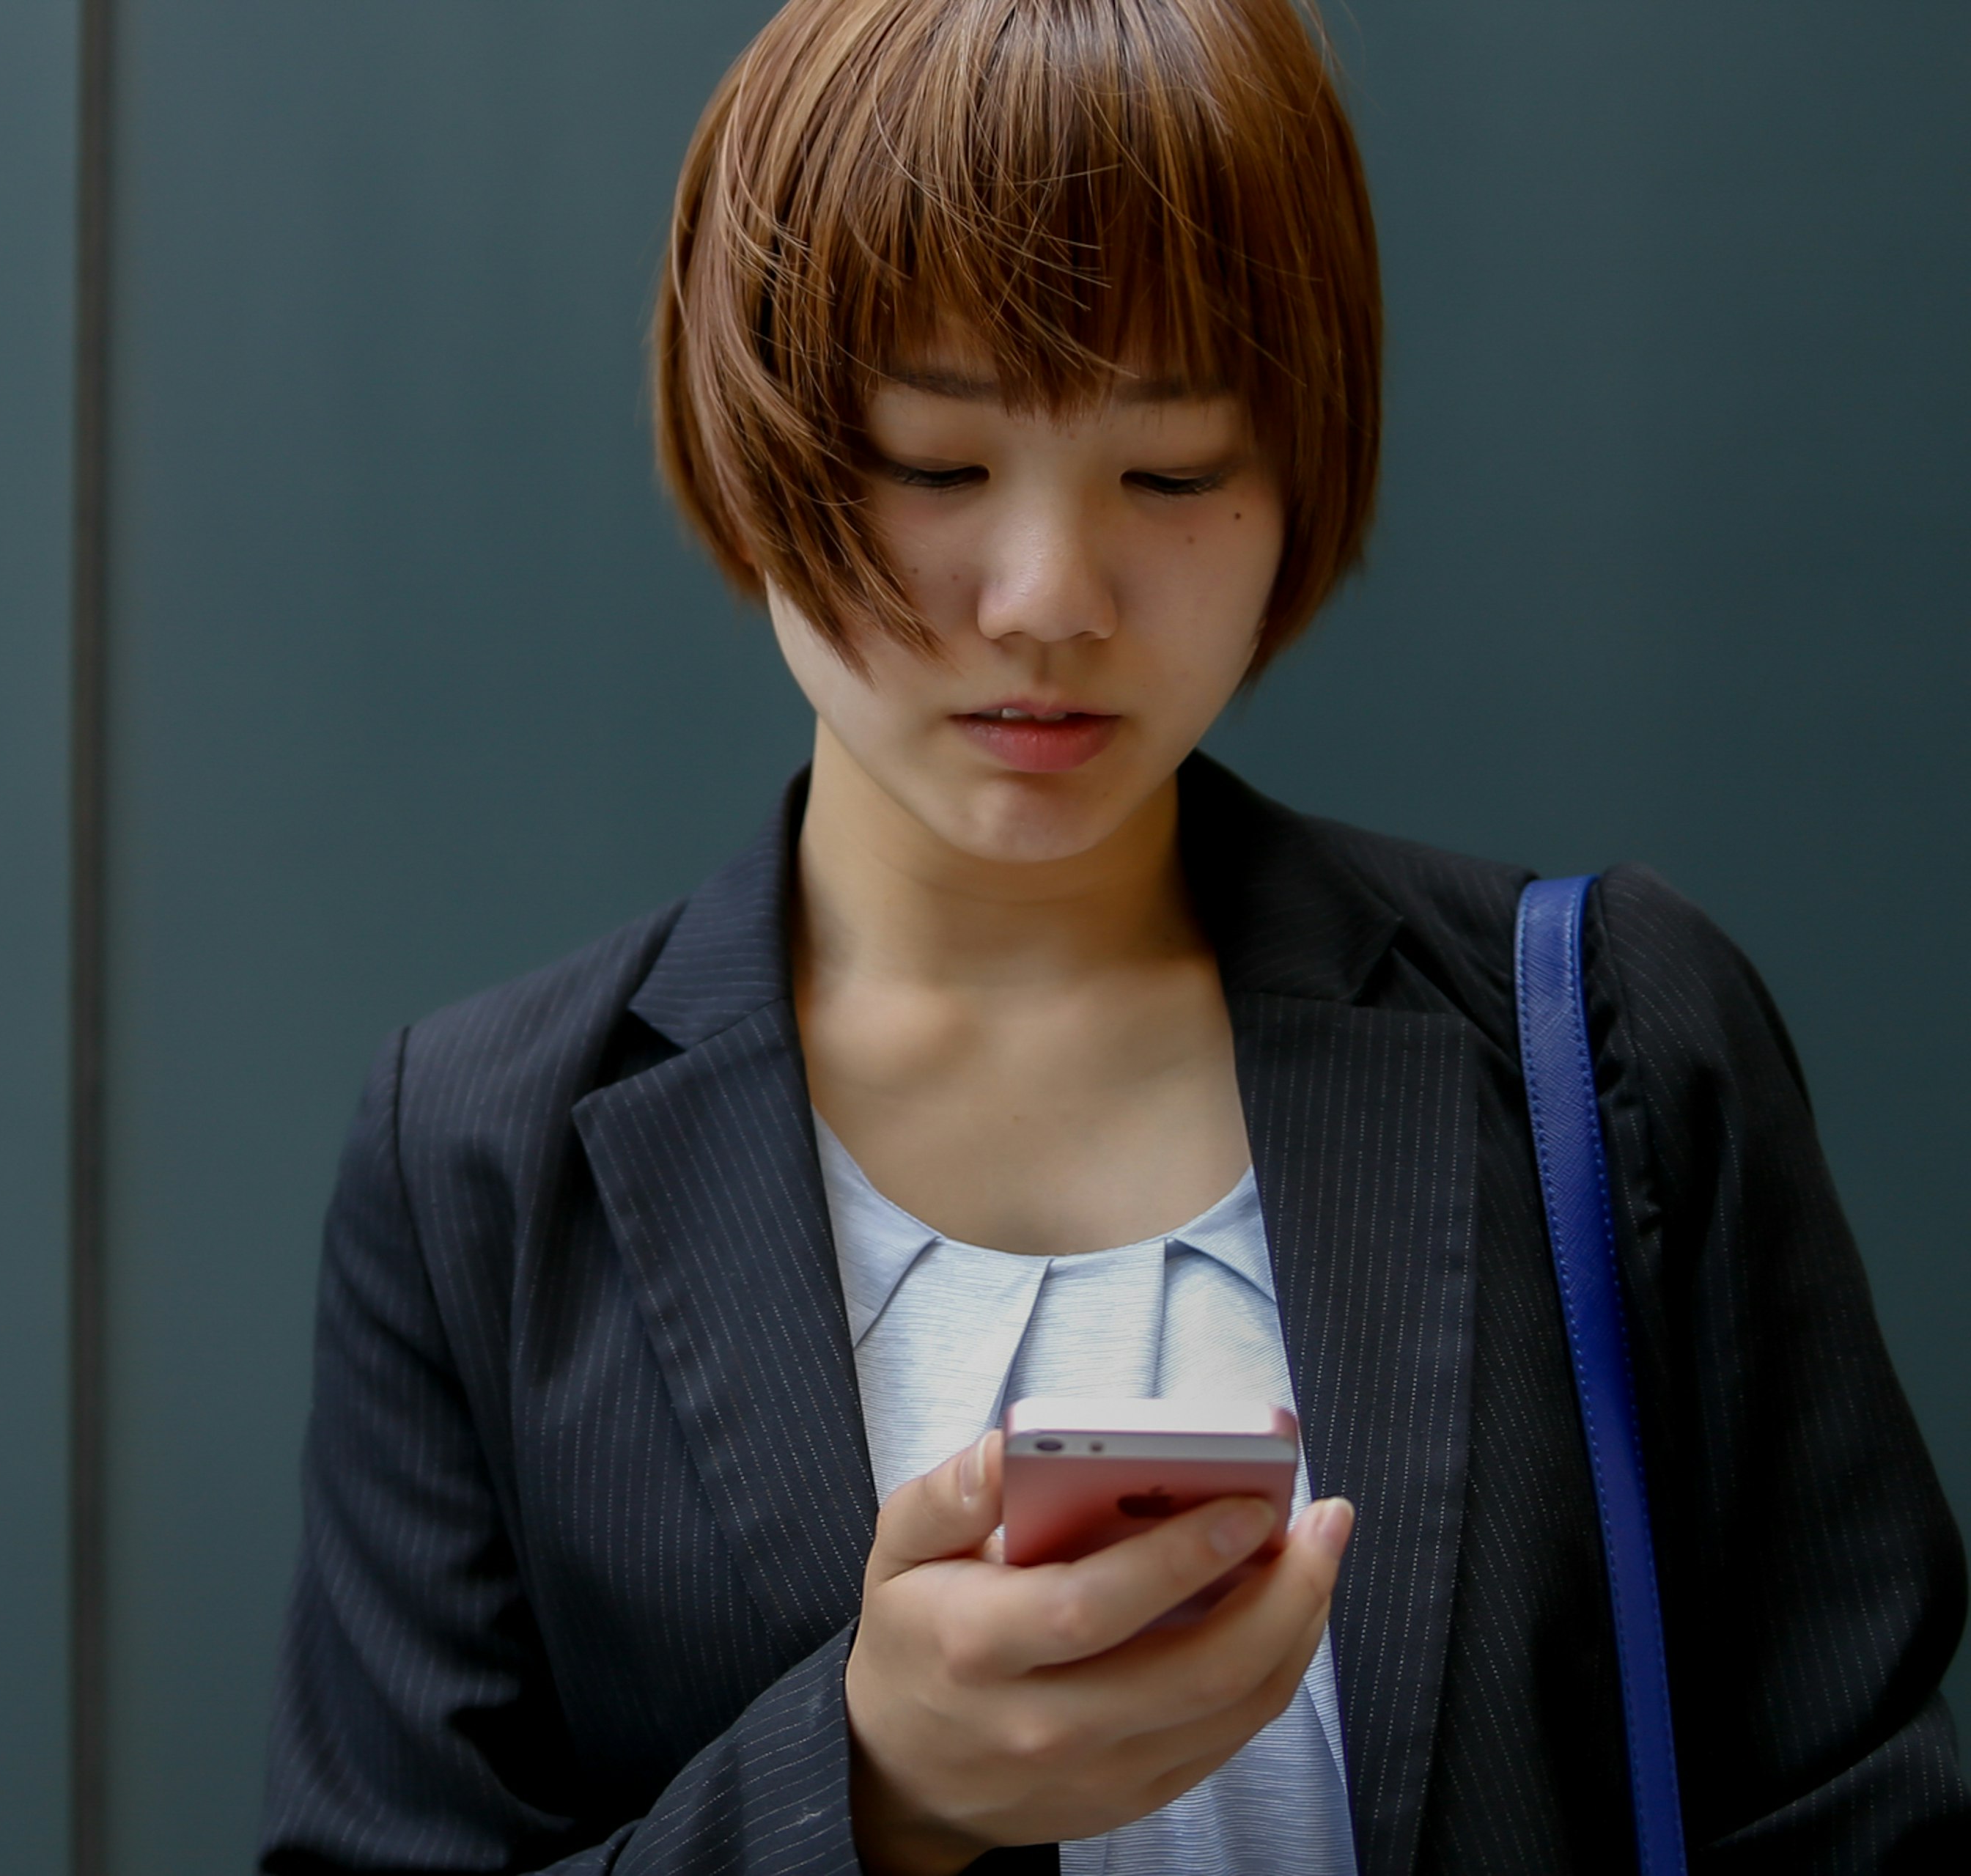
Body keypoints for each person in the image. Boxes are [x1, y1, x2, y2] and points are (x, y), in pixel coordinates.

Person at [257, 0, 1970, 1869]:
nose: (1051, 597)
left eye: (1168, 472)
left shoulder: (1608, 1038)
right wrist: (867, 1790)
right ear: (748, 440)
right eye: (935, 461)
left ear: (1298, 462)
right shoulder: (484, 1158)